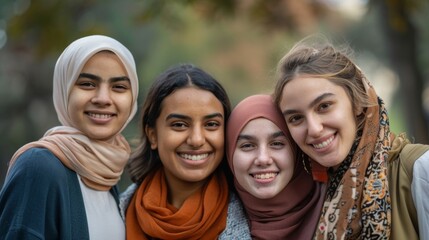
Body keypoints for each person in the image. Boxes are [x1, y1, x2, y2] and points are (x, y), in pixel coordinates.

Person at [273, 36, 429, 240]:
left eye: (324, 106)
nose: (314, 129)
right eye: (296, 118)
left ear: (357, 103)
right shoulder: (312, 196)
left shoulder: (419, 170)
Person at [0, 35, 139, 240]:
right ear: (64, 90)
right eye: (87, 84)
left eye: (118, 87)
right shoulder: (38, 167)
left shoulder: (107, 172)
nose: (102, 98)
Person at [120, 63, 251, 239]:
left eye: (211, 125)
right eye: (179, 125)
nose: (196, 140)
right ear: (152, 135)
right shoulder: (120, 210)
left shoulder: (253, 216)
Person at [226, 94, 325, 239]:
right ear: (229, 154)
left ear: (296, 149)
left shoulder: (340, 204)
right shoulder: (211, 224)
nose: (263, 159)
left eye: (277, 144)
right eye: (247, 145)